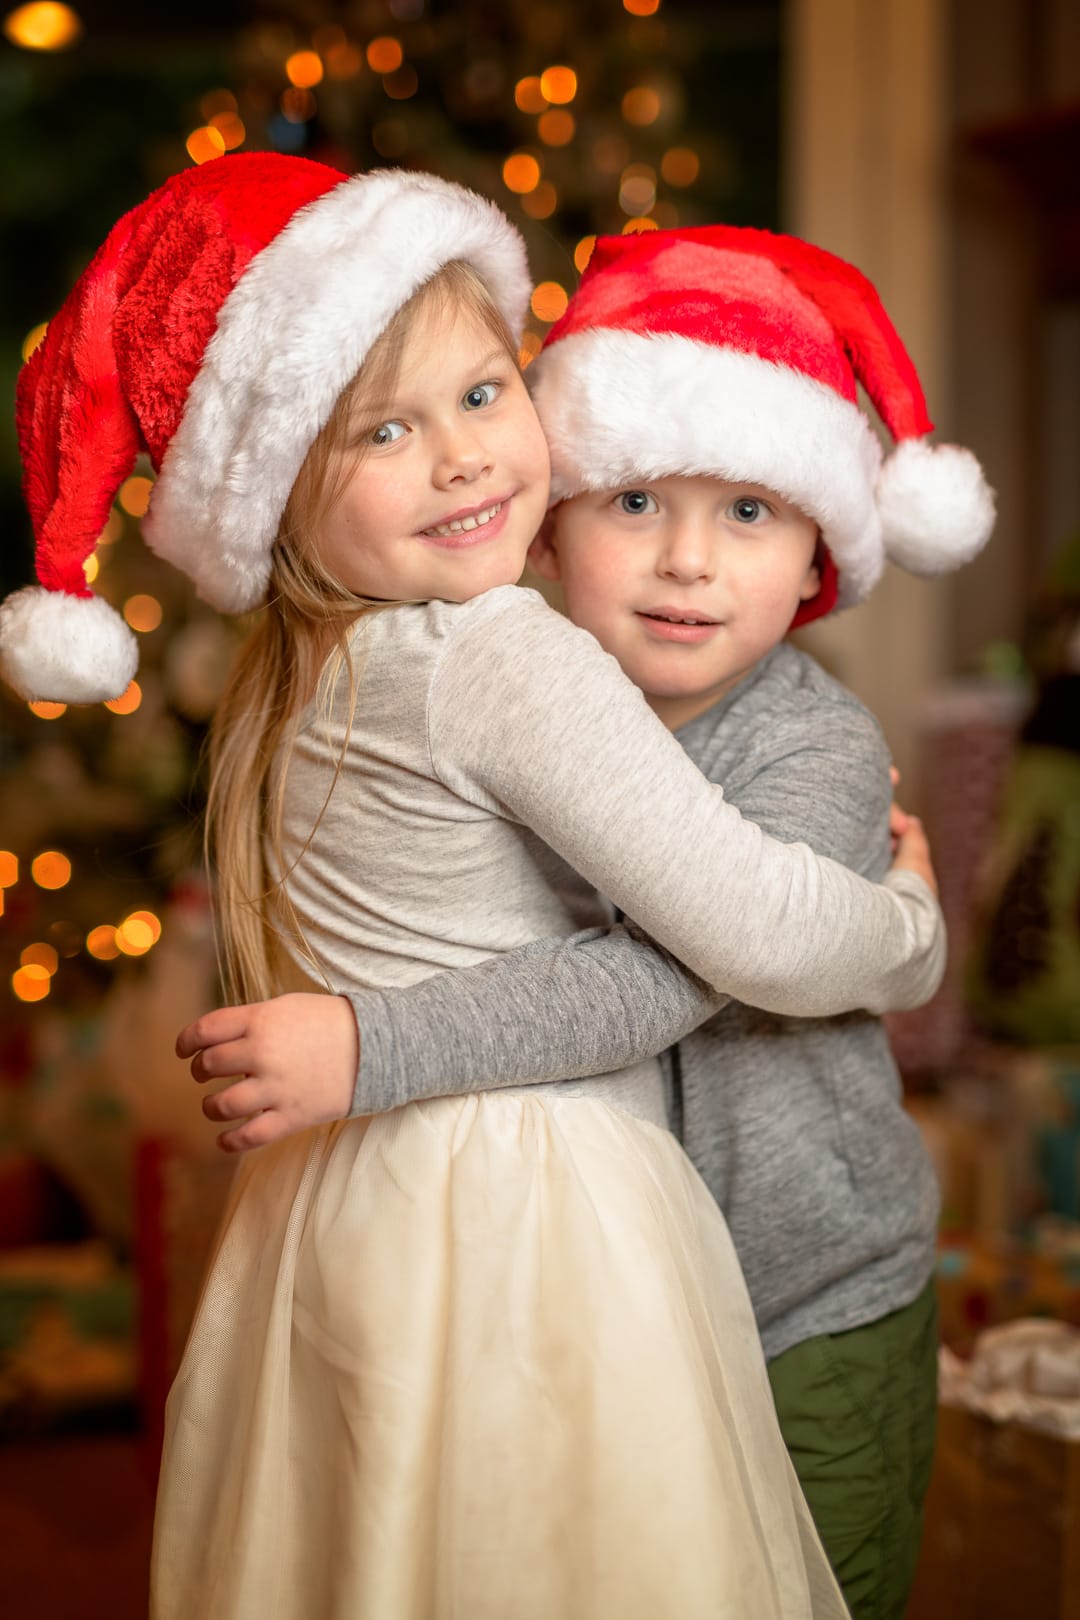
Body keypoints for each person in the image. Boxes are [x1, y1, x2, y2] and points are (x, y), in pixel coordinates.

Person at [0, 157, 967, 1620]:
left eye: (477, 395)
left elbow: (691, 953)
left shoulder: (304, 669)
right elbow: (733, 945)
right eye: (385, 427)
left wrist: (367, 1049)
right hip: (540, 1223)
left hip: (635, 1254)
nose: (460, 458)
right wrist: (904, 932)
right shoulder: (503, 656)